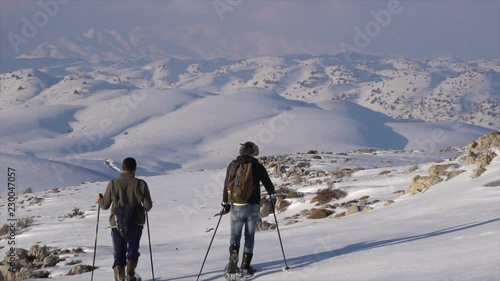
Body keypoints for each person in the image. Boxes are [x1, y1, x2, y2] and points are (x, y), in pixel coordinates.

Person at [221, 142, 275, 277]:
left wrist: (225, 203)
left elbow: (226, 185)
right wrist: (271, 194)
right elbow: (269, 186)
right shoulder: (257, 166)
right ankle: (246, 266)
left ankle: (233, 255)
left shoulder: (233, 165)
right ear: (253, 153)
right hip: (253, 207)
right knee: (249, 236)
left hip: (236, 206)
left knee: (235, 235)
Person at [97, 157, 153, 281]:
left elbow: (105, 205)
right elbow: (148, 206)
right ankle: (131, 274)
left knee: (119, 251)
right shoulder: (141, 184)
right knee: (133, 249)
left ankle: (119, 276)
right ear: (134, 169)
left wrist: (99, 200)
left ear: (122, 168)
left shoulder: (112, 184)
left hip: (116, 223)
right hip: (136, 223)